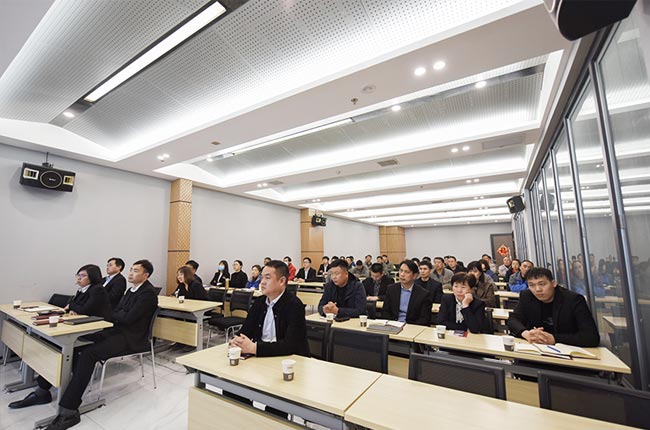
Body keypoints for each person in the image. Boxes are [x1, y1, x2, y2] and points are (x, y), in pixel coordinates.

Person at [42, 260, 159, 430]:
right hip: (117, 330)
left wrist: (118, 314)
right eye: (131, 269)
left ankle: (69, 410)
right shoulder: (130, 290)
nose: (131, 273)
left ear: (146, 275)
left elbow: (127, 318)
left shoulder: (148, 293)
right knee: (75, 345)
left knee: (89, 354)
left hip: (131, 337)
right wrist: (119, 314)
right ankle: (44, 389)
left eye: (135, 270)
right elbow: (115, 312)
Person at [9, 265, 112, 410]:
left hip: (96, 330)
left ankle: (45, 390)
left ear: (92, 277)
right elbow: (73, 306)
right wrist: (74, 307)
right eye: (78, 275)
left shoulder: (97, 290)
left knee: (58, 347)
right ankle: (43, 388)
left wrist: (73, 307)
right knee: (48, 343)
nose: (78, 278)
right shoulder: (82, 289)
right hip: (80, 326)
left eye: (82, 276)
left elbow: (83, 308)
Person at [230, 260, 309, 357]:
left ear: (281, 281)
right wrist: (236, 341)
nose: (262, 282)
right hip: (261, 356)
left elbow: (290, 345)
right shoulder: (259, 302)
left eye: (267, 278)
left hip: (288, 359)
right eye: (262, 277)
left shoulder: (294, 305)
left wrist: (254, 348)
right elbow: (246, 330)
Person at [507, 267, 600, 347]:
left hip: (566, 352)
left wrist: (554, 339)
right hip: (536, 349)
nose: (538, 289)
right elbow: (513, 319)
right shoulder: (527, 296)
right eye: (532, 285)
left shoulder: (573, 300)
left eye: (542, 284)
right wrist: (526, 334)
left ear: (553, 283)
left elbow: (591, 337)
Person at [382, 260, 432, 326]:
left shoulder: (423, 294)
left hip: (412, 327)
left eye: (407, 272)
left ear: (415, 276)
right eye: (401, 271)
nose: (402, 274)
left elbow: (424, 319)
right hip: (393, 325)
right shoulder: (391, 289)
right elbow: (385, 312)